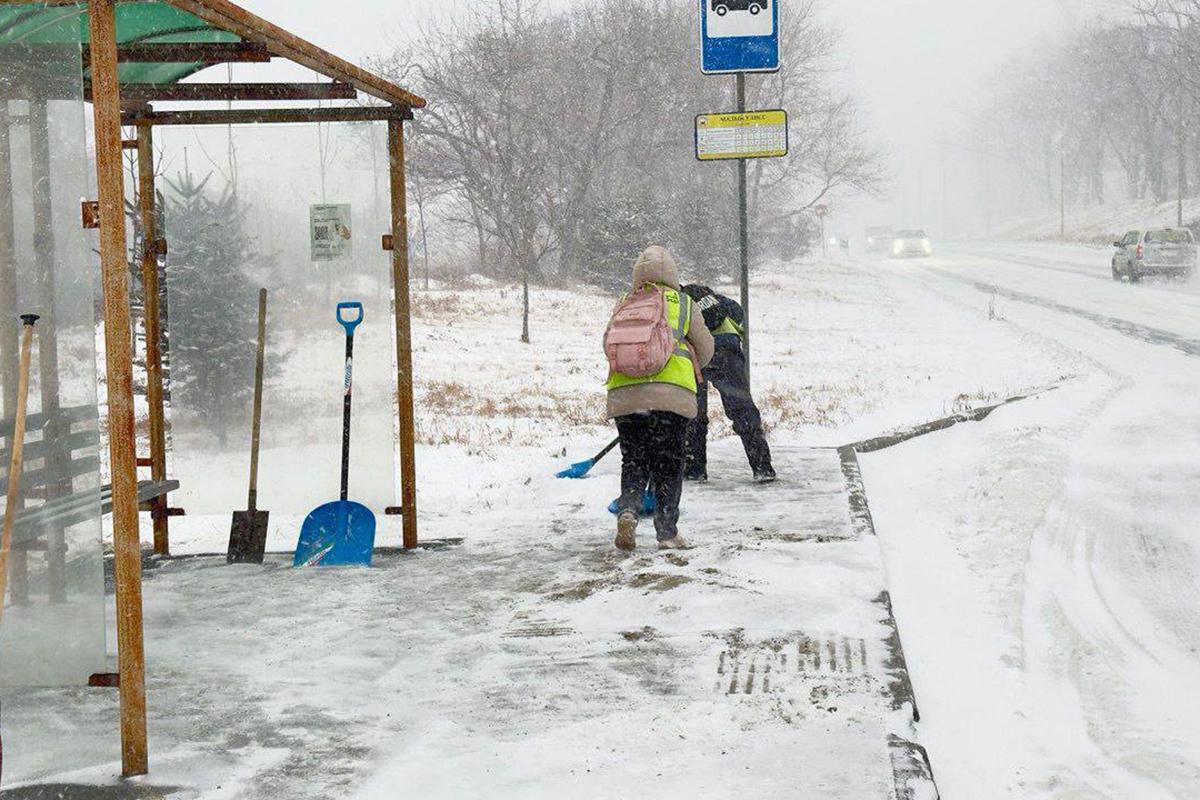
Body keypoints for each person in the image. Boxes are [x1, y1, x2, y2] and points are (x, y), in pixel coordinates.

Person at [606, 246, 714, 551]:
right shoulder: (683, 302)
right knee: (669, 464)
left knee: (634, 460)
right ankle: (667, 532)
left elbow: (606, 344)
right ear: (673, 273)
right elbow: (706, 348)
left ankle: (628, 509)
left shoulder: (625, 302)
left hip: (625, 398)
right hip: (671, 398)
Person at [679, 284, 775, 483]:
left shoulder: (676, 301)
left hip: (696, 354)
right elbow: (737, 311)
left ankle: (694, 469)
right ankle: (762, 466)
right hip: (727, 349)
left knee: (694, 412)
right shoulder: (710, 296)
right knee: (741, 407)